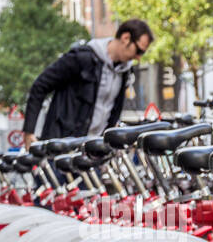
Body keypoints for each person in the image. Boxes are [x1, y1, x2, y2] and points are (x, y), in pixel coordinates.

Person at [22, 19, 152, 147]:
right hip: (63, 147)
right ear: (125, 37)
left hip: (95, 149)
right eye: (139, 51)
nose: (138, 57)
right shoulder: (82, 58)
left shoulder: (125, 72)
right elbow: (40, 86)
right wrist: (29, 131)